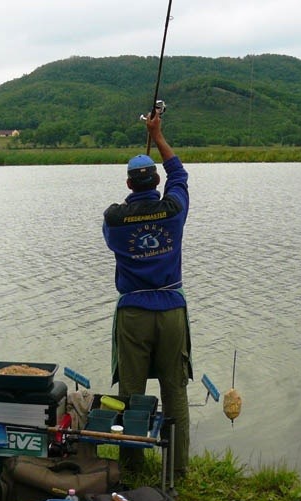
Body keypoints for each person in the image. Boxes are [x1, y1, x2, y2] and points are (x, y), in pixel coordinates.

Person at [103, 110, 192, 477]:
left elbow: (116, 227)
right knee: (175, 394)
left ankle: (132, 466)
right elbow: (180, 175)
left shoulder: (114, 218)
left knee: (131, 394)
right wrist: (157, 136)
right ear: (155, 179)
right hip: (171, 309)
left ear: (128, 184)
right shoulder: (172, 210)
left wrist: (133, 207)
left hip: (133, 313)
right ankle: (178, 469)